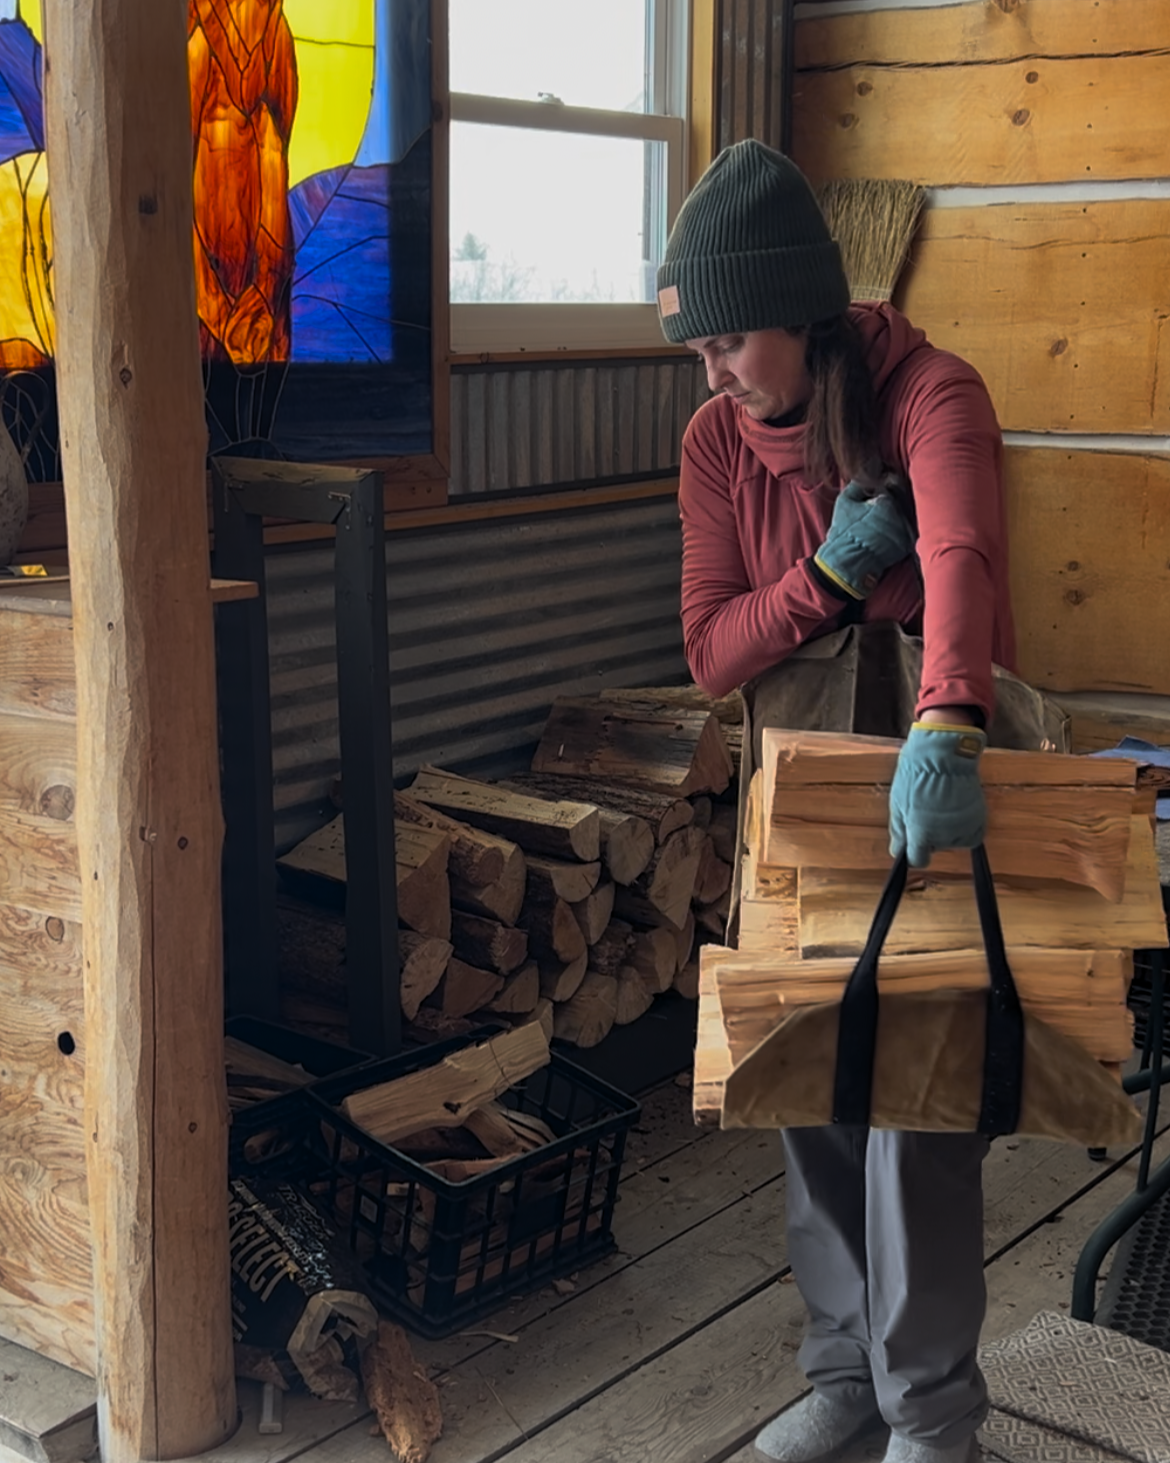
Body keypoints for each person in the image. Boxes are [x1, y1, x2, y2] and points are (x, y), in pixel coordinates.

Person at [656, 139, 1026, 1463]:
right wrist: (819, 577)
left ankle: (932, 1410)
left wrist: (948, 718)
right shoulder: (714, 442)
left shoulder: (931, 392)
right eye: (697, 350)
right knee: (804, 1089)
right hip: (792, 795)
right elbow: (713, 654)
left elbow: (958, 552)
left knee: (913, 1102)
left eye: (733, 341)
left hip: (922, 782)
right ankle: (844, 1381)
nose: (715, 374)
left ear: (805, 317)